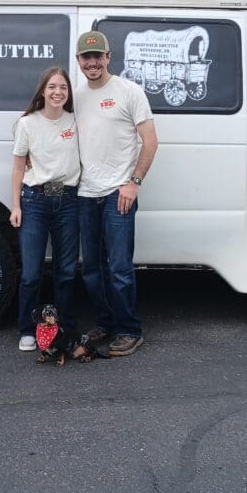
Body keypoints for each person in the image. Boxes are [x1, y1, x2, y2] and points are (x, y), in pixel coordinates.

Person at [73, 30, 158, 357]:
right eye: (86, 57)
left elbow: (150, 141)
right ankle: (105, 323)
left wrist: (133, 182)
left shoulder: (129, 92)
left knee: (119, 268)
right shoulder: (76, 97)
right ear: (79, 61)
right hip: (84, 196)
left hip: (117, 195)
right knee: (92, 269)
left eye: (98, 56)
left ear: (109, 57)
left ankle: (129, 331)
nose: (92, 62)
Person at [9, 67, 81, 351]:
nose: (57, 92)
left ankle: (64, 328)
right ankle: (28, 329)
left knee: (65, 271)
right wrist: (16, 206)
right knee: (31, 273)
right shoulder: (27, 124)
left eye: (63, 87)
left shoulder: (76, 121)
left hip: (69, 202)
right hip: (35, 201)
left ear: (68, 93)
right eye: (52, 87)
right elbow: (17, 168)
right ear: (42, 90)